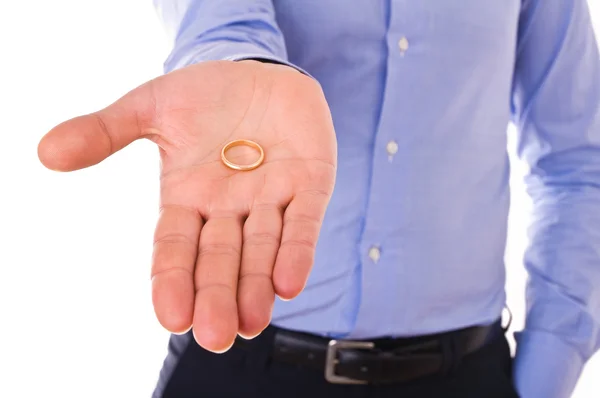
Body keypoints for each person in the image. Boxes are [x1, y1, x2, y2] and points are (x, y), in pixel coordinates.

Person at [37, 1, 600, 397]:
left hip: (467, 372)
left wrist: (547, 371)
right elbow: (218, 18)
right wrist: (241, 64)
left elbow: (575, 163)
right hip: (240, 359)